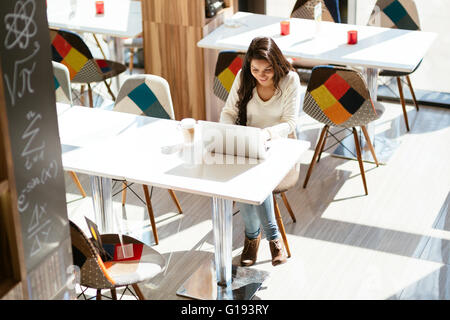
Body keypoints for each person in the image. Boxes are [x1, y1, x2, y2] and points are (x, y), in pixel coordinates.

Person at [219, 36, 302, 266]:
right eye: (255, 69)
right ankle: (269, 240)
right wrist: (226, 134)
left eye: (267, 70)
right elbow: (228, 112)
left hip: (279, 144)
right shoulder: (244, 76)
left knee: (254, 177)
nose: (261, 75)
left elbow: (290, 123)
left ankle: (256, 238)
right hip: (248, 144)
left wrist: (266, 134)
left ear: (276, 64)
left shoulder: (290, 80)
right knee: (249, 173)